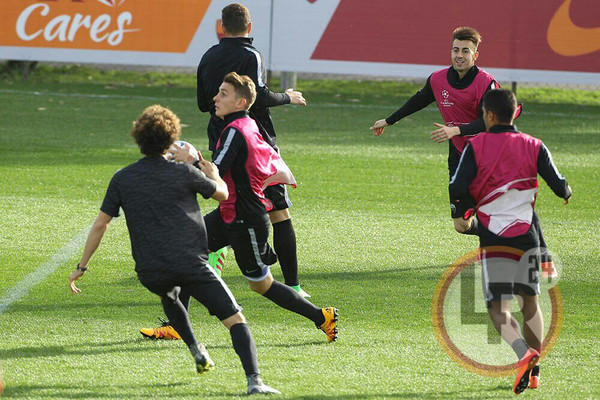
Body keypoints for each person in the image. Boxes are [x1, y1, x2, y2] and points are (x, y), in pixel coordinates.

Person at [68, 105, 280, 395]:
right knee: (235, 319)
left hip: (149, 270)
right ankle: (254, 381)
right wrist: (214, 172)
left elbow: (100, 225)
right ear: (171, 140)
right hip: (191, 263)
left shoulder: (122, 178)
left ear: (137, 138)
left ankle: (196, 350)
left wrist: (81, 267)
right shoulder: (183, 173)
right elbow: (224, 194)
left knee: (169, 294)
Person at [448, 89, 572, 394]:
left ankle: (523, 355)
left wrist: (463, 209)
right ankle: (535, 372)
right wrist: (567, 192)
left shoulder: (476, 146)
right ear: (514, 112)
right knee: (530, 302)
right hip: (528, 237)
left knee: (498, 309)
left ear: (489, 115)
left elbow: (457, 185)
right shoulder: (535, 145)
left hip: (495, 239)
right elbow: (558, 184)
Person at [197, 3, 309, 297]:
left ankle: (215, 254)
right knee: (280, 213)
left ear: (222, 26)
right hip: (254, 141)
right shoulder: (251, 55)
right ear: (249, 26)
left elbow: (201, 103)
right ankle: (293, 285)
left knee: (229, 201)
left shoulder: (209, 55)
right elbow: (258, 96)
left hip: (218, 138)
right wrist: (288, 97)